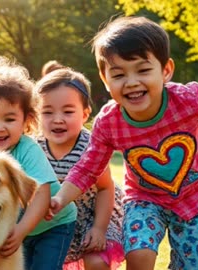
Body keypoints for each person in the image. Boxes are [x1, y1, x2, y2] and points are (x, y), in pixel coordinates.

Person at [49, 16, 198, 270]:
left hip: (197, 198)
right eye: (118, 74)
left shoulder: (190, 100)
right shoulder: (109, 121)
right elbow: (87, 168)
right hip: (144, 200)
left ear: (166, 70)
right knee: (139, 253)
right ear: (105, 78)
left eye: (143, 70)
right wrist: (60, 198)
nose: (132, 82)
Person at [0, 53, 77, 270]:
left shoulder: (27, 149)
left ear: (26, 120)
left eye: (9, 119)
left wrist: (20, 232)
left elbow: (42, 194)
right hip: (17, 225)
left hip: (54, 226)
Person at [35, 67, 124, 270]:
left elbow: (105, 188)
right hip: (56, 219)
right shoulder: (34, 147)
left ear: (84, 115)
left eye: (68, 112)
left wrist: (99, 228)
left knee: (96, 261)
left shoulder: (91, 147)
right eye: (47, 112)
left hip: (95, 214)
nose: (58, 119)